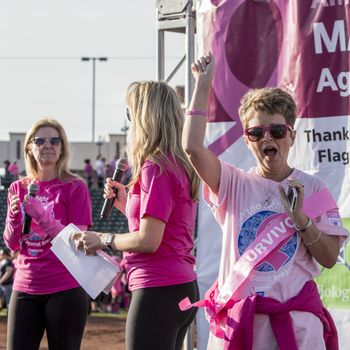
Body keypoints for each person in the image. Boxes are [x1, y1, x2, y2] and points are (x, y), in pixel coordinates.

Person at [181, 53, 349, 349]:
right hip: (241, 327)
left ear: (291, 136)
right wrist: (203, 84)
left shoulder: (314, 188)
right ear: (246, 140)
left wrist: (302, 221)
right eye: (256, 133)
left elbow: (329, 259)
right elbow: (192, 147)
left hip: (298, 330)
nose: (267, 138)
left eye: (277, 131)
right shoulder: (233, 183)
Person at [73, 81, 200, 350]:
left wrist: (102, 239)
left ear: (145, 116)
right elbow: (163, 226)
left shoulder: (156, 167)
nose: (129, 122)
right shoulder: (174, 163)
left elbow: (148, 240)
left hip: (158, 289)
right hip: (178, 285)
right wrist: (125, 202)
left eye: (130, 114)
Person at [3, 118, 92, 350]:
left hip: (65, 288)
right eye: (40, 140)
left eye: (54, 140)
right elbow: (12, 243)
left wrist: (42, 216)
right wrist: (14, 217)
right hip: (25, 287)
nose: (47, 145)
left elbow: (78, 242)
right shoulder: (18, 187)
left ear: (62, 147)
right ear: (30, 148)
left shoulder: (75, 186)